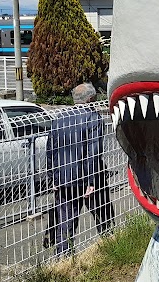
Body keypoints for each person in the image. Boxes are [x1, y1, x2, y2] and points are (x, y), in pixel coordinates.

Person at [45, 82, 113, 256]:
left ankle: (63, 256)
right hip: (86, 178)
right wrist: (91, 181)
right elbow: (93, 152)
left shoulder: (59, 117)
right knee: (102, 214)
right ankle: (109, 245)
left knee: (65, 220)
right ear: (91, 99)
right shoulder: (93, 117)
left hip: (63, 179)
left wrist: (52, 177)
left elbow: (51, 150)